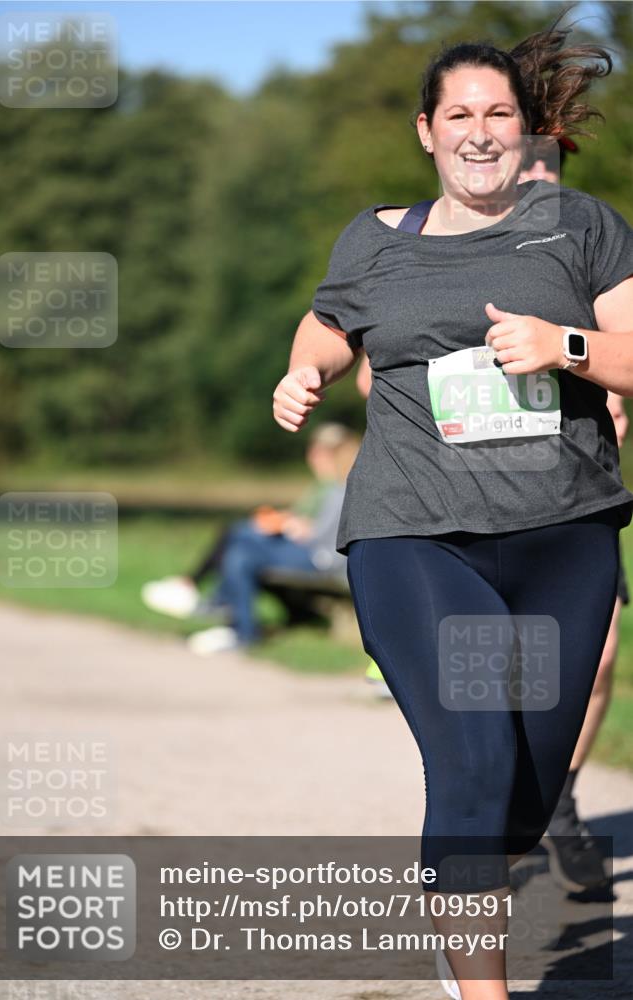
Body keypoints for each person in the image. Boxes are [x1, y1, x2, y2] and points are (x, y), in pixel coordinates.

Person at [273, 18, 633, 1000]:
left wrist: (560, 346)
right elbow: (328, 322)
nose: (479, 131)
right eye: (459, 114)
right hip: (415, 532)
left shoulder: (583, 228)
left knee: (517, 798)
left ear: (527, 132)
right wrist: (307, 369)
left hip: (562, 539)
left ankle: (463, 887)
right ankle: (483, 986)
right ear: (426, 130)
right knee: (472, 759)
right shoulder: (376, 236)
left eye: (499, 113)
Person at [357, 132, 631, 892]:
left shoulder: (578, 236)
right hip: (444, 508)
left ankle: (549, 800)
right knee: (476, 727)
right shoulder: (421, 249)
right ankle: (478, 844)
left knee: (594, 657)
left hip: (566, 505)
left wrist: (579, 360)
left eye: (542, 167)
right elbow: (373, 362)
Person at [143, 423, 359, 654]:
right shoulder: (327, 486)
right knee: (241, 545)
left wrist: (292, 526)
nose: (312, 457)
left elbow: (325, 536)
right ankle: (235, 621)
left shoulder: (341, 486)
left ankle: (220, 607)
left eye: (318, 452)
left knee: (241, 541)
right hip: (311, 551)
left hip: (322, 558)